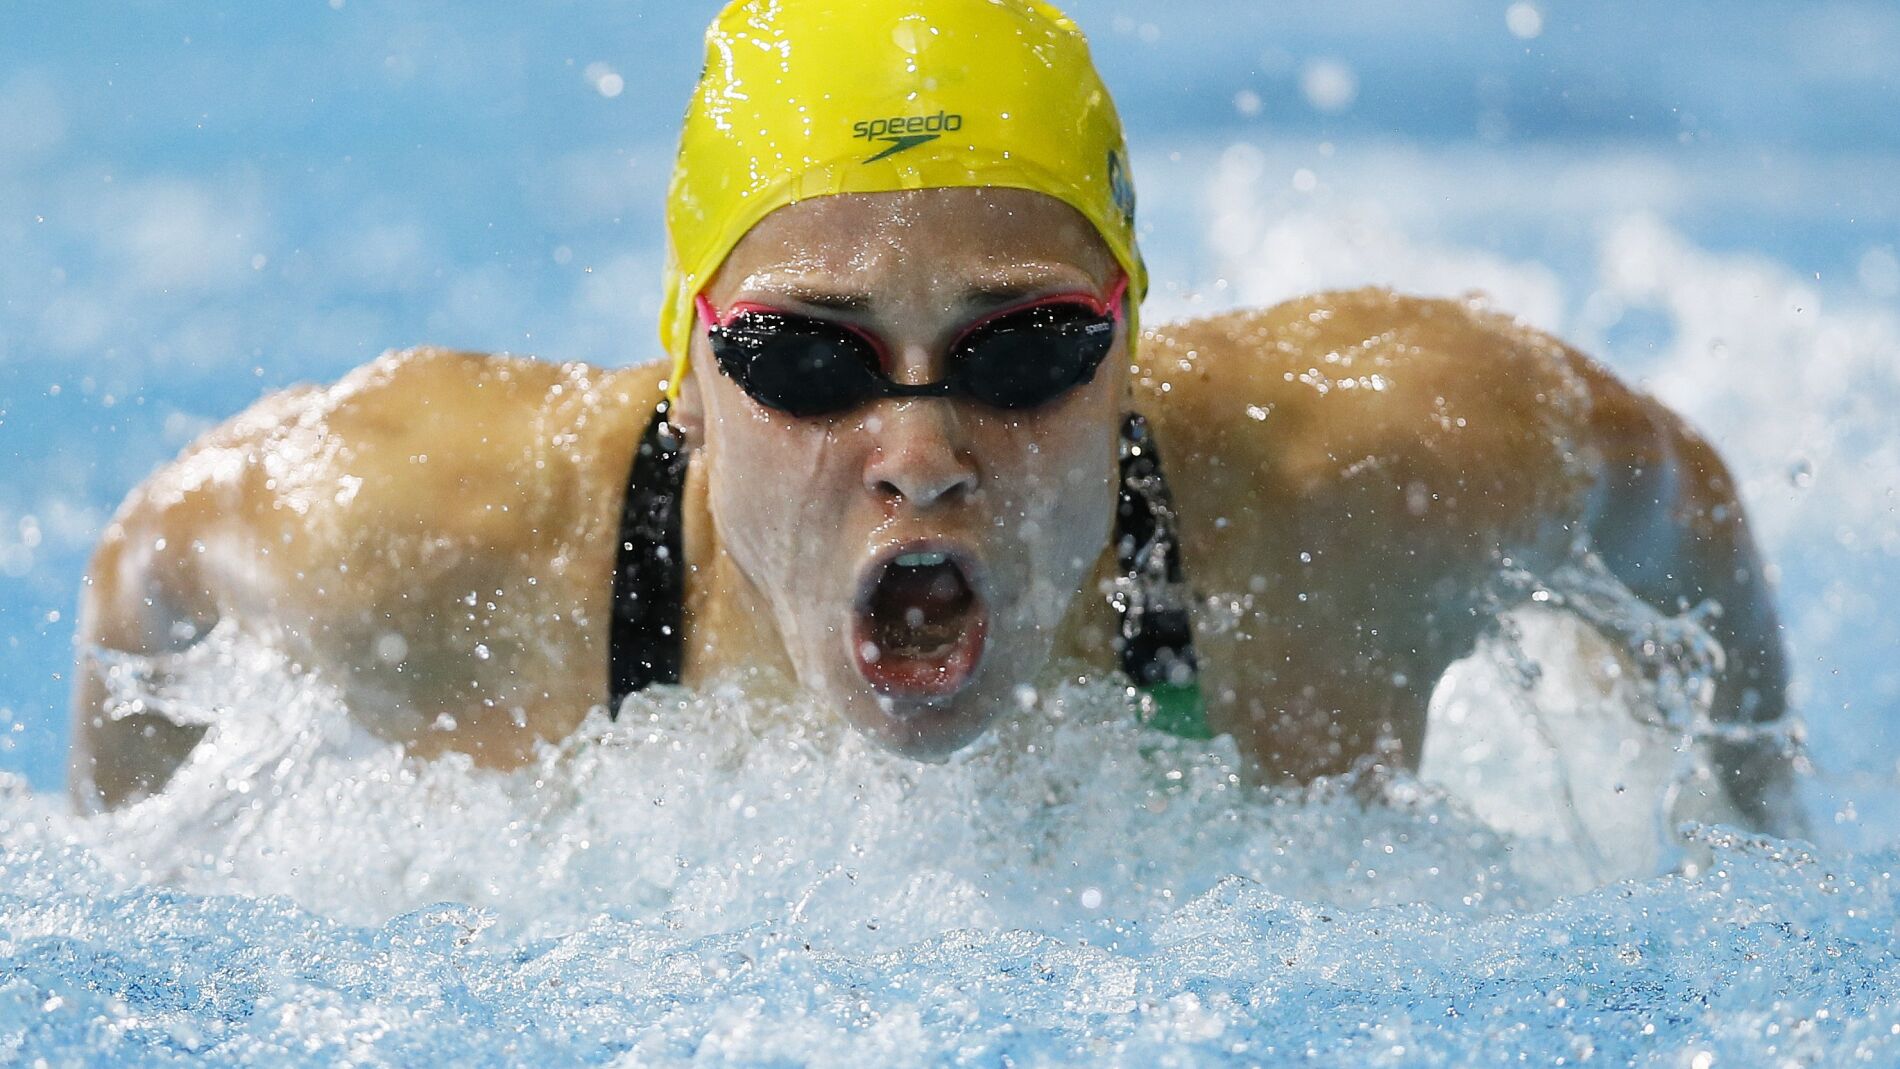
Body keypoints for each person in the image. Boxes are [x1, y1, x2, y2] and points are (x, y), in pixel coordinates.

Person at [68, 0, 1795, 828]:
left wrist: (1740, 817)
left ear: (1127, 349)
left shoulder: (1364, 484)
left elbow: (1681, 500)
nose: (918, 452)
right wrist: (138, 866)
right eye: (808, 360)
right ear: (688, 371)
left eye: (1023, 349)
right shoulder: (432, 541)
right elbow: (149, 574)